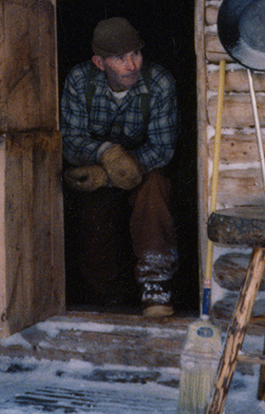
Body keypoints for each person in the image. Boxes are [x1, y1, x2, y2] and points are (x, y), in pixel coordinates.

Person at [60, 17, 179, 317]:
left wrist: (114, 174)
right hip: (97, 167)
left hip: (144, 165)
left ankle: (156, 285)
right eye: (120, 58)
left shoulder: (160, 82)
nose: (132, 65)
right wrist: (105, 154)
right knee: (94, 217)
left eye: (136, 54)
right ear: (99, 62)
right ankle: (106, 299)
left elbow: (162, 148)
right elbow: (71, 140)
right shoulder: (79, 81)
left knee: (154, 190)